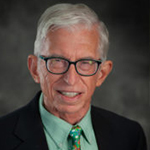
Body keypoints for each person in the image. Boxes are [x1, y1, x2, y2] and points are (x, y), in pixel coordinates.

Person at [0, 3, 147, 150]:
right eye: (57, 61)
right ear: (35, 69)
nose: (70, 79)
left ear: (102, 74)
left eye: (85, 62)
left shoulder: (130, 136)